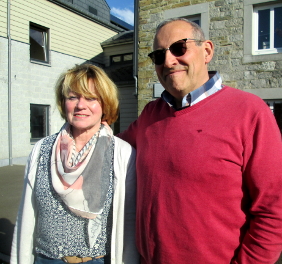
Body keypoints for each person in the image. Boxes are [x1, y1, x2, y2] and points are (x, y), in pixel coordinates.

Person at [118, 18, 282, 263]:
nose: (168, 61)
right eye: (159, 55)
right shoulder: (150, 115)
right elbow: (108, 147)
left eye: (179, 48)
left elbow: (273, 211)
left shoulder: (249, 112)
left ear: (206, 51)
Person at [11, 64, 139, 264]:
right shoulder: (42, 149)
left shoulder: (122, 153)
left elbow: (129, 221)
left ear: (104, 104)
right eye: (73, 97)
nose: (81, 105)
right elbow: (26, 214)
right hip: (46, 259)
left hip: (99, 260)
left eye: (91, 98)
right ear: (63, 103)